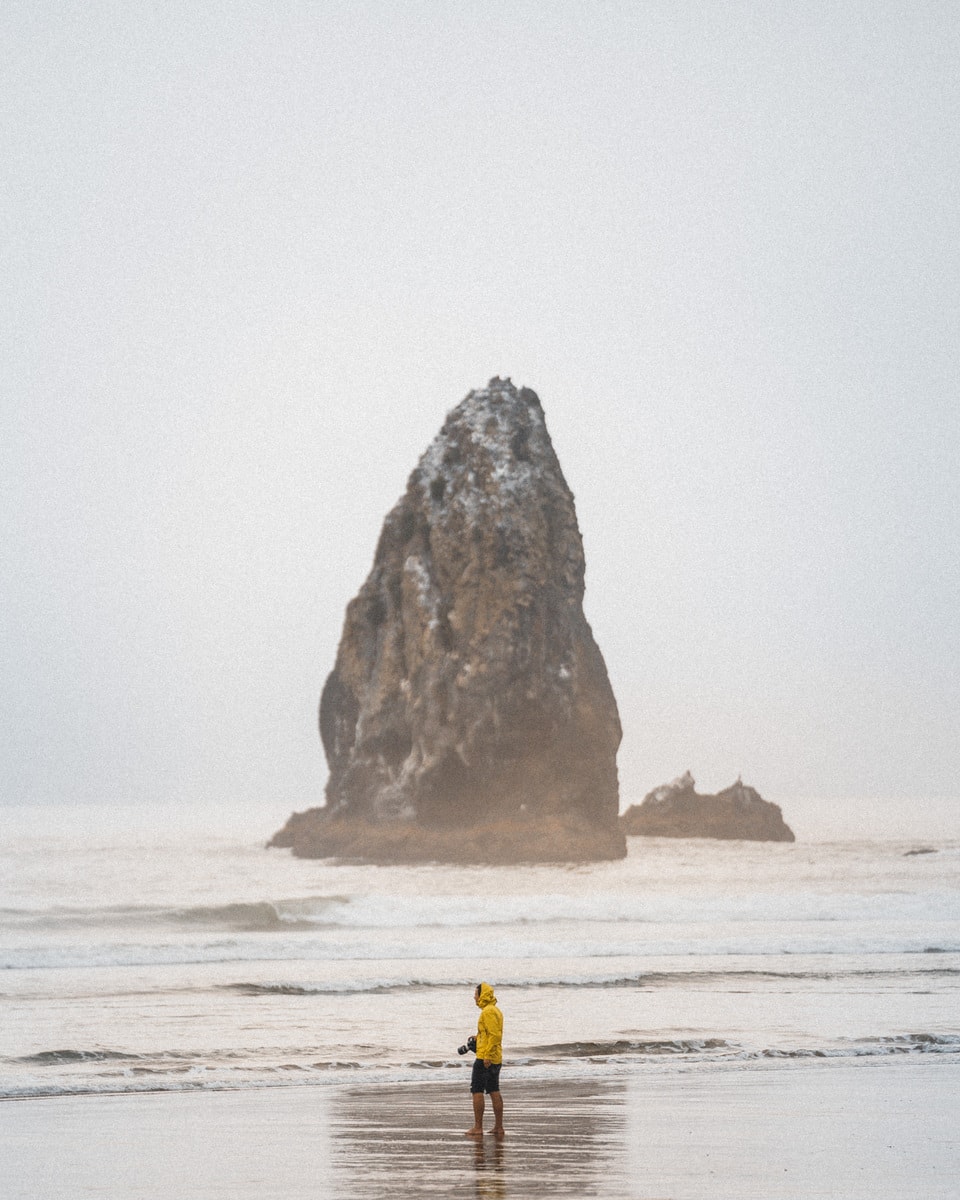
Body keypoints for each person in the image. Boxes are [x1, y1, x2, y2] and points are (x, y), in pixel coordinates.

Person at [464, 981, 504, 1137]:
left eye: (475, 994)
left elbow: (495, 1035)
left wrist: (486, 1054)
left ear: (482, 995)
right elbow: (490, 1033)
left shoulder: (487, 1012)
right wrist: (477, 1037)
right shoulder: (495, 1011)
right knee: (494, 1090)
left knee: (477, 1090)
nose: (474, 997)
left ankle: (478, 1127)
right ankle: (498, 1127)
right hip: (495, 1056)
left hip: (485, 1058)